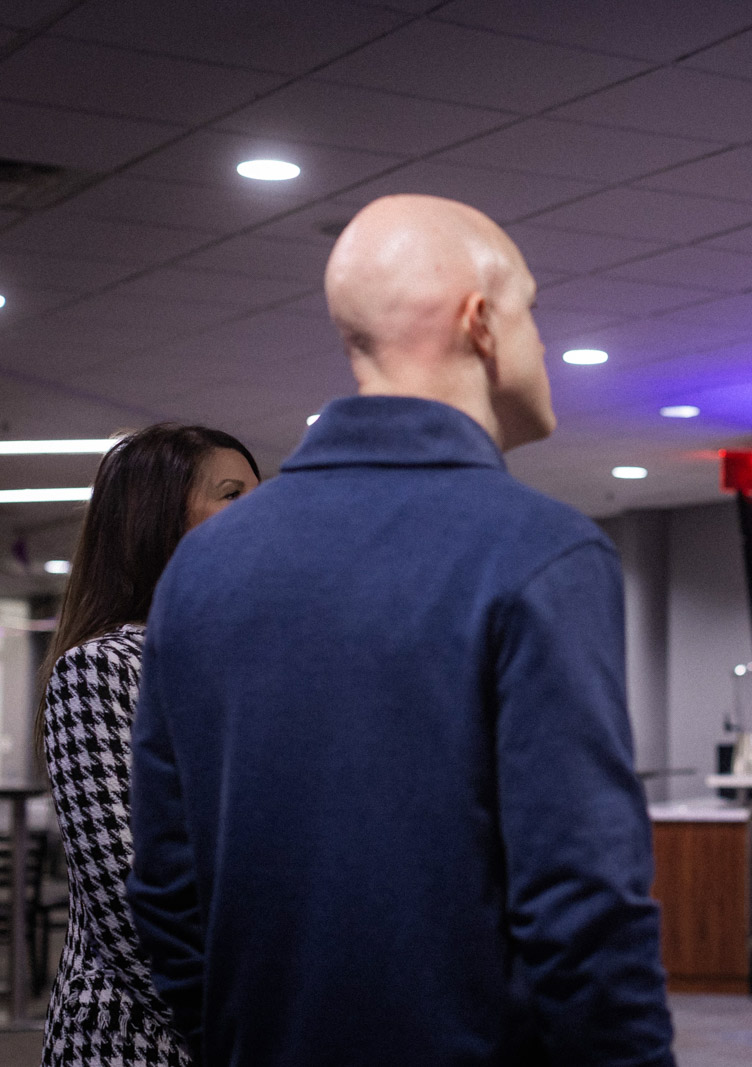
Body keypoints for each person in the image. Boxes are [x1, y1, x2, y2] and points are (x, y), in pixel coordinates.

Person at [125, 195, 674, 1066]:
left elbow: (165, 886)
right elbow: (583, 904)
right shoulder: (539, 550)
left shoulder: (202, 566)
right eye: (531, 310)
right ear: (480, 322)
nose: (542, 344)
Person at [38, 423, 260, 1066]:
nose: (259, 514)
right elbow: (127, 896)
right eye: (231, 495)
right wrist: (239, 1028)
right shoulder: (102, 668)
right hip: (139, 1036)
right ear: (155, 520)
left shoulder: (253, 664)